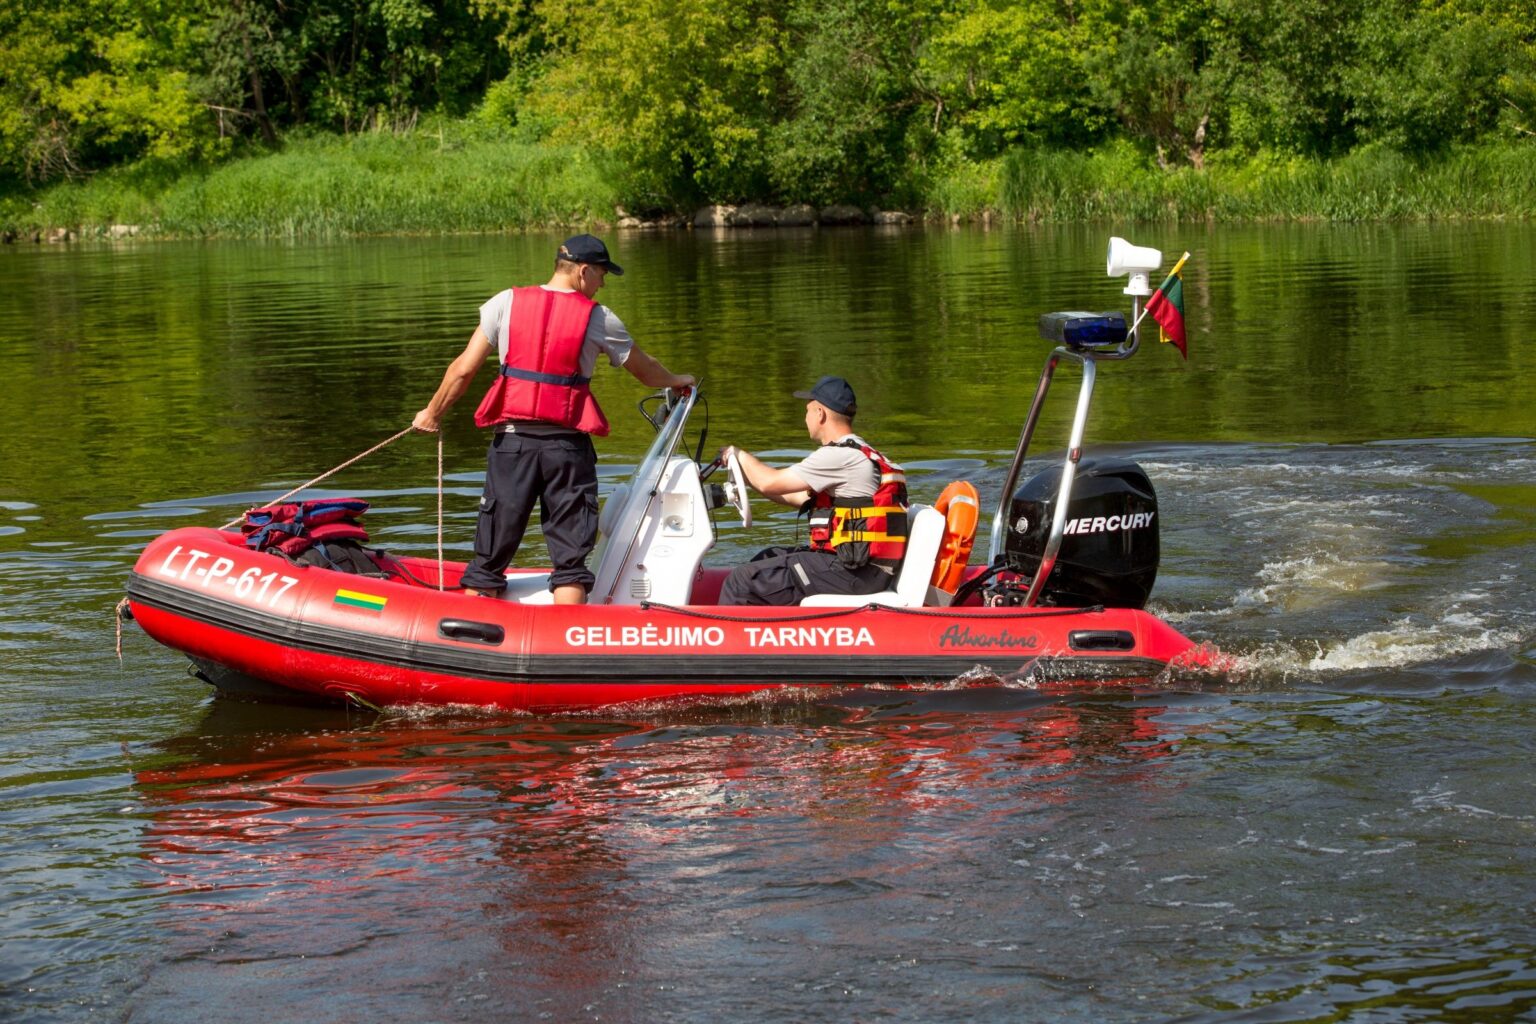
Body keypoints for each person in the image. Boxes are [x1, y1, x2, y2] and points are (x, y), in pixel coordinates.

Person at [412, 234, 694, 604]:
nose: (602, 283)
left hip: (512, 446)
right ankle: (570, 641)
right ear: (583, 271)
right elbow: (646, 371)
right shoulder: (599, 318)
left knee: (489, 561)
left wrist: (432, 413)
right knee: (570, 564)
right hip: (567, 450)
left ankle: (471, 628)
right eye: (602, 275)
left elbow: (463, 370)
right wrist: (678, 381)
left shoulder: (505, 302)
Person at [717, 375, 909, 605]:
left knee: (742, 581)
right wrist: (747, 478)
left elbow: (771, 482)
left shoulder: (839, 456)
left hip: (854, 574)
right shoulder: (858, 452)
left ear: (820, 413)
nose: (805, 417)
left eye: (807, 410)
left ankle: (724, 637)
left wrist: (737, 455)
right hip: (863, 569)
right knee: (765, 558)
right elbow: (795, 496)